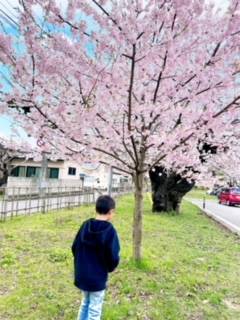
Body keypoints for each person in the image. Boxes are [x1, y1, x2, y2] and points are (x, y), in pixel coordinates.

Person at [72, 195, 120, 320]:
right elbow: (113, 256)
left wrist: (80, 263)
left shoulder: (85, 225)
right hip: (97, 277)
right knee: (95, 308)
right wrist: (109, 268)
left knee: (85, 303)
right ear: (111, 212)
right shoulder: (110, 231)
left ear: (96, 209)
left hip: (82, 273)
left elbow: (74, 247)